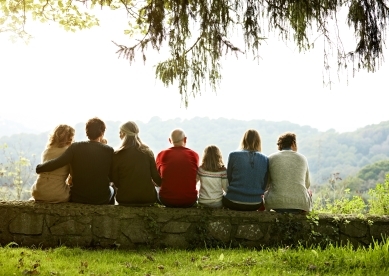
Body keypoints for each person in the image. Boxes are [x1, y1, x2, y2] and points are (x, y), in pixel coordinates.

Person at [36, 117, 115, 205]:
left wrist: (40, 168)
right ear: (102, 133)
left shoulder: (75, 147)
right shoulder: (109, 150)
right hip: (101, 198)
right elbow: (112, 176)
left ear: (86, 132)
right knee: (112, 189)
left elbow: (58, 162)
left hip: (77, 197)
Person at [110, 121, 161, 206]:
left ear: (123, 134)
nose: (119, 135)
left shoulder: (117, 154)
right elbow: (155, 177)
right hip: (148, 198)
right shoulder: (147, 152)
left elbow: (115, 180)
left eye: (120, 132)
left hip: (125, 198)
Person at [264, 132, 312, 213]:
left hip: (275, 203)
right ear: (293, 143)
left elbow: (266, 184)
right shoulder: (303, 158)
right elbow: (307, 184)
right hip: (300, 204)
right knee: (309, 192)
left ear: (280, 145)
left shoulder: (271, 158)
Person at [223, 129, 268, 211]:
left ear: (244, 140)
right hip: (255, 203)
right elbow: (264, 184)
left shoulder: (233, 155)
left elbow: (229, 178)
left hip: (232, 200)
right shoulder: (265, 159)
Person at [31, 124, 75, 203]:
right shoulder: (68, 153)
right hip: (57, 194)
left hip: (38, 191)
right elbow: (73, 176)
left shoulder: (46, 151)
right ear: (70, 137)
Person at [156, 128, 199, 207]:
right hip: (189, 200)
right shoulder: (194, 155)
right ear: (185, 139)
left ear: (170, 140)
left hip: (166, 200)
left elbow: (157, 179)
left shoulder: (161, 155)